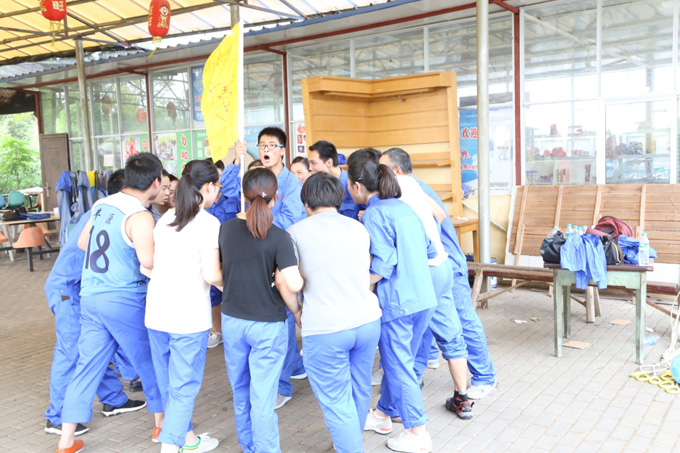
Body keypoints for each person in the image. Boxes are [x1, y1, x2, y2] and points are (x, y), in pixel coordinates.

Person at [56, 153, 165, 453]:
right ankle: (161, 424)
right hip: (123, 299)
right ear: (155, 182)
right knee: (149, 360)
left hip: (91, 297)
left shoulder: (102, 204)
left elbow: (82, 243)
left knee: (86, 367)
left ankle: (66, 441)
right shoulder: (140, 215)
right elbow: (148, 261)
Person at [380, 148, 497, 401]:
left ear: (397, 170)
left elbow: (437, 219)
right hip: (431, 266)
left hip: (446, 263)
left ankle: (484, 376)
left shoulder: (411, 189)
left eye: (383, 168)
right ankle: (414, 376)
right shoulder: (409, 188)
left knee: (462, 321)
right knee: (423, 324)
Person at [44, 170, 146, 438]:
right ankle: (57, 417)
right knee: (71, 352)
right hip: (68, 289)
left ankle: (113, 400)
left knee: (96, 348)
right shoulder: (107, 214)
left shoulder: (108, 212)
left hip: (86, 290)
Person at [347, 152, 436, 453]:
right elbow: (428, 248)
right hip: (423, 296)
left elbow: (383, 264)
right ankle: (383, 413)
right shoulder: (404, 207)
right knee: (402, 362)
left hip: (398, 301)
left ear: (357, 186)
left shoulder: (374, 215)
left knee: (399, 367)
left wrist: (356, 287)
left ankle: (417, 431)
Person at [287, 173, 381, 453]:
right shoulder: (358, 228)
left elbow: (289, 281)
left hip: (325, 327)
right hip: (367, 321)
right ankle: (351, 441)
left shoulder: (294, 232)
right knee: (360, 388)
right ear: (339, 198)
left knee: (337, 402)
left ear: (306, 203)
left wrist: (296, 311)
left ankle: (349, 446)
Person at [218, 168, 304, 453]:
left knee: (241, 391)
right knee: (263, 398)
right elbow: (291, 282)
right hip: (267, 325)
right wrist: (297, 310)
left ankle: (249, 447)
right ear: (276, 197)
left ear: (244, 195)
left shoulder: (225, 229)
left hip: (232, 320)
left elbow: (218, 272)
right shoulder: (279, 237)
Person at [145, 160, 223, 453]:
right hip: (188, 317)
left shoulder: (165, 219)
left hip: (157, 313)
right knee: (184, 387)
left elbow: (149, 264)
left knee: (169, 384)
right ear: (208, 187)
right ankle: (170, 447)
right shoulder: (208, 223)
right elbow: (212, 275)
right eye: (217, 186)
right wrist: (235, 288)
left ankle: (188, 439)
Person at [256, 127, 307, 409]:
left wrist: (257, 220)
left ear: (283, 151)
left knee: (284, 317)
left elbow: (291, 220)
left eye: (272, 145)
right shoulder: (255, 178)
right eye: (262, 145)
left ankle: (282, 386)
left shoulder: (291, 184)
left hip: (282, 256)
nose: (266, 149)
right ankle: (297, 366)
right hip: (260, 256)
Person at [308, 140, 361, 219]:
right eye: (308, 163)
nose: (309, 168)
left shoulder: (354, 183)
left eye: (313, 163)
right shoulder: (316, 186)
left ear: (329, 162)